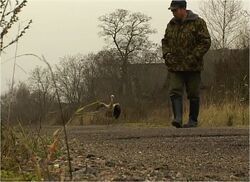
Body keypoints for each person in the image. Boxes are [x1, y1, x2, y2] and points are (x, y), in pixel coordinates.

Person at [161, 0, 211, 128]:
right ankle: (177, 118)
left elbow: (205, 42)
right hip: (175, 66)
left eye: (175, 10)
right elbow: (165, 42)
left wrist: (194, 56)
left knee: (193, 93)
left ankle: (193, 120)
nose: (173, 13)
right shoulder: (171, 25)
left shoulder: (198, 22)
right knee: (175, 91)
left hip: (193, 66)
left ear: (183, 9)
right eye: (172, 10)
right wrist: (166, 55)